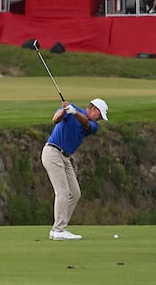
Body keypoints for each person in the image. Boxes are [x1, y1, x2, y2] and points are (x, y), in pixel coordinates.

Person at [42, 97, 109, 240]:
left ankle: (58, 227)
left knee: (75, 193)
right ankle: (59, 230)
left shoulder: (93, 125)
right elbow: (55, 120)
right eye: (100, 115)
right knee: (63, 192)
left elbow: (85, 123)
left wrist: (75, 113)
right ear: (93, 109)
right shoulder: (71, 109)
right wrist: (64, 111)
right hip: (52, 153)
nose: (100, 120)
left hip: (65, 158)